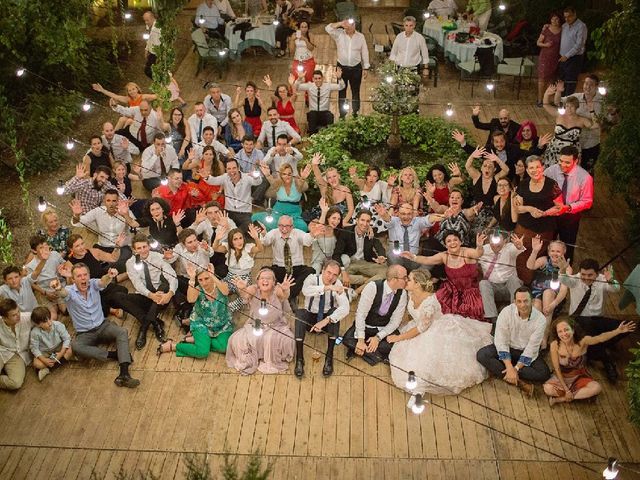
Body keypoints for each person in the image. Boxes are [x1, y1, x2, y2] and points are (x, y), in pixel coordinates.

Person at [389, 270, 493, 396]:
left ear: (417, 284)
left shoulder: (429, 303)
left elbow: (421, 329)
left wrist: (399, 337)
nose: (406, 281)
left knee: (424, 364)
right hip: (419, 326)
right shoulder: (410, 293)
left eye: (409, 279)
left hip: (435, 330)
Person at [50, 264, 140, 388]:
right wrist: (58, 288)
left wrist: (109, 275)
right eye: (79, 276)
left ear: (89, 275)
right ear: (74, 279)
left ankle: (124, 373)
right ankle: (113, 355)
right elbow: (63, 293)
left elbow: (103, 282)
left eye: (85, 275)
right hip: (85, 333)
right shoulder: (70, 291)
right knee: (76, 346)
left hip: (103, 325)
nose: (83, 278)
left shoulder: (93, 284)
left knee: (122, 332)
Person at [559, 258, 626, 382]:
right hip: (578, 320)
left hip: (597, 320)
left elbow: (616, 288)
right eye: (583, 274)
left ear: (597, 273)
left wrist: (611, 280)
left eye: (590, 275)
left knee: (628, 326)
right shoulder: (576, 279)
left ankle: (595, 347)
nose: (586, 278)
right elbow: (563, 279)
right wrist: (562, 269)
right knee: (588, 324)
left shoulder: (602, 280)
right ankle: (606, 360)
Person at [476, 287, 551, 396]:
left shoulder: (540, 320)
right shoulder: (506, 312)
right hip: (508, 348)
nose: (523, 305)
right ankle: (519, 382)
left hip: (525, 351)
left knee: (544, 373)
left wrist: (515, 368)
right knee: (482, 355)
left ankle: (508, 372)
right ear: (514, 302)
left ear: (532, 301)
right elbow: (501, 340)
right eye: (519, 301)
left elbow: (532, 348)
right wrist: (509, 366)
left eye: (526, 301)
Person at [544, 318, 635, 405]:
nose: (564, 334)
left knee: (597, 388)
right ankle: (577, 395)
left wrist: (618, 331)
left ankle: (562, 399)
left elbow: (600, 338)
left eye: (566, 329)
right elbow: (556, 369)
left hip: (579, 377)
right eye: (560, 331)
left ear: (573, 330)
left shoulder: (583, 341)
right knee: (547, 389)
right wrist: (566, 390)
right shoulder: (554, 344)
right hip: (561, 377)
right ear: (557, 333)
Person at [225, 268, 296, 374]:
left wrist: (286, 289)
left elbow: (284, 295)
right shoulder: (254, 289)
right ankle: (256, 356)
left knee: (288, 341)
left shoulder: (276, 290)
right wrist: (242, 288)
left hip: (276, 326)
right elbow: (245, 294)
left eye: (268, 278)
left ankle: (266, 356)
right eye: (262, 278)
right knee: (236, 339)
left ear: (273, 282)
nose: (265, 280)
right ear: (258, 281)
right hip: (257, 324)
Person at [405, 231, 486, 321]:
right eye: (449, 241)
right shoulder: (444, 256)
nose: (452, 243)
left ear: (460, 242)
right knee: (439, 305)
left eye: (455, 240)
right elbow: (427, 260)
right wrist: (413, 257)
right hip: (451, 290)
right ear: (446, 245)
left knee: (473, 311)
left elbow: (478, 253)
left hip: (470, 291)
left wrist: (479, 246)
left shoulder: (467, 252)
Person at [158, 263, 234, 358]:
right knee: (202, 352)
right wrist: (192, 279)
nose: (204, 283)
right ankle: (173, 346)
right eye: (200, 280)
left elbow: (226, 292)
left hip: (223, 324)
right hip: (202, 324)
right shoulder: (198, 289)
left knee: (225, 348)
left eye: (206, 278)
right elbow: (190, 299)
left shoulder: (221, 285)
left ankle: (196, 340)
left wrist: (212, 275)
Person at [342, 264, 409, 366]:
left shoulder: (402, 294)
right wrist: (360, 340)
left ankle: (361, 351)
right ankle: (376, 355)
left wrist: (378, 337)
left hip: (383, 329)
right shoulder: (372, 287)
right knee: (346, 339)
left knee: (395, 344)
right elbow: (360, 315)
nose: (407, 280)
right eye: (404, 278)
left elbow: (395, 322)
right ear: (394, 279)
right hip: (366, 326)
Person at [295, 259, 350, 377]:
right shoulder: (312, 278)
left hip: (325, 321)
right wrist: (327, 288)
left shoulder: (338, 284)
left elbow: (345, 308)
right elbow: (305, 291)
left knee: (335, 312)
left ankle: (329, 357)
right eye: (328, 272)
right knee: (300, 313)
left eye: (335, 275)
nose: (331, 277)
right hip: (310, 318)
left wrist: (326, 321)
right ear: (323, 270)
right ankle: (299, 358)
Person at [513, 155, 563, 284]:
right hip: (524, 227)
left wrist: (544, 213)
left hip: (544, 229)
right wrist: (530, 208)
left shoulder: (552, 184)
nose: (534, 170)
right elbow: (518, 208)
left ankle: (536, 285)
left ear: (543, 167)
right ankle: (520, 283)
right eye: (531, 168)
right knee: (521, 254)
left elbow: (560, 207)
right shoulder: (523, 184)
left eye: (537, 167)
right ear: (527, 169)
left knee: (539, 256)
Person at [124, 234, 177, 349]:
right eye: (139, 248)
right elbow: (137, 284)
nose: (143, 250)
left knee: (164, 286)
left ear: (149, 246)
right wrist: (150, 295)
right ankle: (155, 322)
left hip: (161, 295)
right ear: (134, 250)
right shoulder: (130, 263)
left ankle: (143, 330)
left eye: (145, 246)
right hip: (145, 295)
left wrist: (170, 293)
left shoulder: (158, 257)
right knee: (119, 297)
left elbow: (172, 275)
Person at [544, 145, 593, 260]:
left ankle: (565, 271)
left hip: (571, 217)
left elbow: (588, 201)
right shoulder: (551, 171)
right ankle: (546, 269)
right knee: (547, 243)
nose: (562, 165)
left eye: (567, 162)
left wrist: (568, 207)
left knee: (568, 246)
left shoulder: (585, 177)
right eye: (561, 161)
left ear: (576, 161)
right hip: (552, 214)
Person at [70, 189, 137, 273]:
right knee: (89, 259)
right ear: (104, 202)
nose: (111, 204)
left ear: (118, 201)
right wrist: (76, 215)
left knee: (127, 260)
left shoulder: (126, 212)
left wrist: (126, 215)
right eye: (108, 200)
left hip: (121, 247)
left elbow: (137, 227)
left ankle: (103, 270)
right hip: (102, 246)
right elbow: (78, 223)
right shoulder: (98, 211)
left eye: (114, 201)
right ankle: (109, 271)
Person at [63, 233, 129, 317]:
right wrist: (70, 278)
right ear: (71, 249)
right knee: (90, 306)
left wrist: (117, 247)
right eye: (77, 246)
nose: (81, 247)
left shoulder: (93, 252)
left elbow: (113, 258)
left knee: (123, 290)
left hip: (103, 284)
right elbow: (73, 287)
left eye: (82, 243)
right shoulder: (69, 264)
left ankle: (107, 305)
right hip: (89, 293)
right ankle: (110, 309)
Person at [553, 74, 605, 173]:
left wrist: (591, 110)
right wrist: (559, 91)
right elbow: (558, 102)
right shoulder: (576, 97)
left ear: (596, 86)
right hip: (575, 144)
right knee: (572, 173)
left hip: (591, 144)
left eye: (591, 84)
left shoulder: (601, 102)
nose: (587, 86)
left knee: (587, 173)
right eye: (586, 83)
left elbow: (600, 124)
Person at [261, 215, 320, 301]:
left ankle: (287, 295)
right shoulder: (274, 232)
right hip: (279, 268)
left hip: (296, 268)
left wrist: (312, 234)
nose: (284, 229)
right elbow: (266, 241)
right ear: (278, 226)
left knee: (311, 271)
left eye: (287, 226)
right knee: (264, 271)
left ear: (292, 227)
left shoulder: (298, 233)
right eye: (281, 226)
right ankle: (285, 292)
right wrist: (264, 233)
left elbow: (307, 241)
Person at [333, 209, 388, 291]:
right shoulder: (346, 231)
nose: (365, 224)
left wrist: (381, 256)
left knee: (386, 272)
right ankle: (365, 280)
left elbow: (379, 247)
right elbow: (336, 254)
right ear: (357, 220)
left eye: (367, 221)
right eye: (362, 220)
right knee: (336, 278)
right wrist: (343, 272)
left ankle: (358, 289)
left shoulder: (371, 232)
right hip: (349, 263)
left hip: (365, 263)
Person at [212, 225, 263, 312]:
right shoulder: (227, 248)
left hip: (244, 278)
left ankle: (226, 309)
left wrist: (256, 238)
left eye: (240, 238)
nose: (239, 241)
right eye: (235, 239)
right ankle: (216, 306)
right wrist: (217, 238)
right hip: (230, 276)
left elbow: (260, 248)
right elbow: (215, 248)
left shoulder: (248, 248)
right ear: (231, 242)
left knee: (245, 298)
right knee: (216, 290)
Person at [326, 19, 370, 118]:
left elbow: (365, 51)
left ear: (355, 25)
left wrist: (366, 67)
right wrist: (340, 23)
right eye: (347, 25)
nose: (349, 27)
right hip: (342, 67)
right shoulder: (339, 34)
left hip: (356, 68)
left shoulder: (360, 36)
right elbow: (328, 28)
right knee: (341, 91)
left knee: (355, 91)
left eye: (351, 25)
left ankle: (355, 113)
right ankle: (342, 114)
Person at [204, 158, 263, 232]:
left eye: (234, 168)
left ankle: (235, 234)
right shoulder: (225, 177)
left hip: (245, 213)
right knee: (224, 227)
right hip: (229, 212)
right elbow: (213, 180)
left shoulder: (247, 177)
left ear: (238, 168)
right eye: (229, 169)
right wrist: (206, 177)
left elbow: (258, 182)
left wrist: (256, 176)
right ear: (226, 170)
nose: (231, 171)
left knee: (245, 229)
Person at [479, 232, 525, 323]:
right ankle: (493, 320)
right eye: (492, 241)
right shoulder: (483, 250)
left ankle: (514, 316)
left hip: (509, 287)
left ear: (505, 241)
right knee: (483, 283)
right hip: (493, 288)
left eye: (498, 241)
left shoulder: (510, 248)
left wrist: (519, 246)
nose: (495, 244)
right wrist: (478, 247)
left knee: (514, 280)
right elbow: (472, 255)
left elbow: (517, 248)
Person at [375, 202, 434, 272]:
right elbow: (387, 218)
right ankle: (399, 274)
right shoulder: (394, 221)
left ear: (413, 214)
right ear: (398, 214)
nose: (406, 217)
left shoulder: (417, 221)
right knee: (392, 255)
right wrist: (384, 214)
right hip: (397, 259)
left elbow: (430, 218)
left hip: (412, 259)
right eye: (403, 214)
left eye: (409, 214)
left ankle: (412, 276)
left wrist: (444, 215)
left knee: (430, 263)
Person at [464, 147, 510, 235]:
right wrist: (472, 156)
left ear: (494, 170)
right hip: (475, 209)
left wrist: (497, 159)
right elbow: (468, 166)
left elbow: (506, 170)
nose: (487, 168)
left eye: (490, 167)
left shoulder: (496, 178)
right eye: (485, 166)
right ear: (481, 168)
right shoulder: (477, 176)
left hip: (491, 213)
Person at [253, 163, 310, 232]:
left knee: (303, 227)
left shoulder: (297, 183)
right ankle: (275, 234)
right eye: (284, 174)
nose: (287, 176)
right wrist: (267, 174)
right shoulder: (278, 183)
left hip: (294, 215)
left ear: (292, 174)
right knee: (254, 217)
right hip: (278, 213)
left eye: (289, 174)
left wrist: (303, 178)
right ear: (281, 175)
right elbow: (271, 182)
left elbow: (304, 187)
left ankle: (282, 232)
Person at [542, 93, 595, 167]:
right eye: (567, 106)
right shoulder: (559, 115)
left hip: (572, 152)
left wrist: (592, 110)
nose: (569, 109)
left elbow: (595, 126)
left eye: (572, 106)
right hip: (554, 150)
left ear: (576, 107)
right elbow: (545, 105)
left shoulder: (581, 120)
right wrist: (547, 93)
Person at [25, 235, 66, 321]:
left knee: (64, 309)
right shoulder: (30, 266)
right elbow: (32, 283)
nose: (45, 249)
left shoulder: (54, 254)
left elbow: (65, 265)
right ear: (34, 250)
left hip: (59, 287)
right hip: (44, 292)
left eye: (45, 245)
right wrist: (45, 293)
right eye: (41, 248)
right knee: (53, 315)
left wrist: (63, 268)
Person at [29, 306, 72, 382]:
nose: (49, 322)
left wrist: (61, 353)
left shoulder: (58, 325)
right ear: (38, 325)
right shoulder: (35, 333)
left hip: (58, 348)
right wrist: (44, 360)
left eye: (49, 318)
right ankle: (57, 363)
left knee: (69, 351)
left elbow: (67, 338)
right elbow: (34, 348)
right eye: (45, 321)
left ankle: (47, 369)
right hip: (46, 352)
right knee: (36, 363)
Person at [295, 69, 345, 134]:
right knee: (312, 117)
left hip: (325, 112)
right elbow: (297, 87)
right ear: (313, 79)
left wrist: (340, 78)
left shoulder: (328, 86)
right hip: (313, 112)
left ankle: (329, 135)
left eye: (319, 78)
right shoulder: (309, 85)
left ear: (322, 78)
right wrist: (299, 78)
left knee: (330, 116)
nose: (318, 80)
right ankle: (312, 134)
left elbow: (341, 87)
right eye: (315, 78)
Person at [310, 153, 354, 224]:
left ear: (339, 176)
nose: (332, 179)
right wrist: (314, 164)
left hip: (341, 220)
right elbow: (318, 176)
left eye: (334, 176)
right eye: (329, 178)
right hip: (324, 218)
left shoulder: (346, 190)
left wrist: (343, 222)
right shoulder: (324, 187)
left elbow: (351, 209)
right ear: (327, 180)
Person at [348, 166, 393, 234]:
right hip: (362, 207)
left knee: (378, 221)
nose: (371, 178)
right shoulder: (363, 182)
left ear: (377, 177)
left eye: (374, 176)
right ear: (366, 176)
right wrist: (353, 174)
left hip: (375, 208)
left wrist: (390, 184)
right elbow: (356, 180)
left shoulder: (380, 184)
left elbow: (388, 188)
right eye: (369, 175)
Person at [0, 299, 32, 391]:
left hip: (19, 355)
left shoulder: (27, 317)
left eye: (18, 311)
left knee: (15, 383)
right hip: (2, 352)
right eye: (14, 315)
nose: (18, 316)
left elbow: (45, 318)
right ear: (4, 318)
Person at [557, 6, 588, 96]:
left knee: (570, 81)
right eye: (565, 17)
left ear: (575, 15)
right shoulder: (564, 26)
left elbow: (579, 45)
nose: (567, 19)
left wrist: (567, 56)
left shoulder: (581, 26)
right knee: (561, 80)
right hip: (562, 58)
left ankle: (567, 103)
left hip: (574, 58)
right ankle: (560, 102)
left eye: (569, 16)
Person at [389, 16, 429, 81]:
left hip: (414, 67)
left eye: (411, 25)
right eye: (406, 25)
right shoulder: (399, 37)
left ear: (414, 26)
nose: (408, 28)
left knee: (413, 88)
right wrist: (391, 68)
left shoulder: (419, 38)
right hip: (399, 67)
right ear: (404, 26)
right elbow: (393, 52)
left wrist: (426, 68)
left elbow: (425, 53)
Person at [536, 12, 563, 107]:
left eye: (556, 19)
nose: (555, 21)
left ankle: (547, 99)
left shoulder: (562, 30)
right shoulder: (546, 30)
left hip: (556, 57)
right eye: (553, 19)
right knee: (542, 78)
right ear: (550, 20)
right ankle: (540, 100)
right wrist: (545, 45)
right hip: (545, 57)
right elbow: (538, 42)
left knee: (552, 79)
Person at [311, 202, 342, 273]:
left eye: (338, 219)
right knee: (315, 272)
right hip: (318, 260)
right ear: (328, 218)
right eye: (334, 218)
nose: (336, 221)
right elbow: (318, 227)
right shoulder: (320, 227)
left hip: (331, 260)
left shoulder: (338, 230)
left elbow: (354, 226)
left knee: (346, 259)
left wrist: (369, 228)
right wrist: (324, 212)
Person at [143, 11, 161, 79]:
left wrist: (157, 58)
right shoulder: (150, 26)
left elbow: (157, 44)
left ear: (153, 18)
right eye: (145, 21)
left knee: (148, 71)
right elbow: (149, 39)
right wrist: (146, 49)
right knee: (149, 70)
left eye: (147, 20)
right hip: (152, 52)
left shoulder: (155, 29)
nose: (146, 22)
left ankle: (160, 82)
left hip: (155, 53)